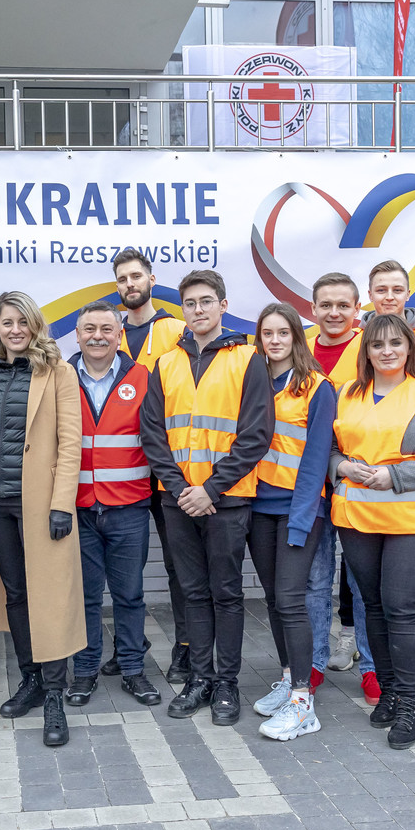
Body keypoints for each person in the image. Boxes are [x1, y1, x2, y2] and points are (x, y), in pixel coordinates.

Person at [140, 269, 273, 726]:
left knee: (227, 593)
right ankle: (200, 678)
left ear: (222, 305)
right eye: (190, 303)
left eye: (206, 301)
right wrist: (182, 491)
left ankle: (227, 683)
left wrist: (210, 489)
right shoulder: (166, 363)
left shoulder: (248, 359)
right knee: (193, 592)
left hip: (226, 500)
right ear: (183, 310)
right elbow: (152, 434)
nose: (198, 310)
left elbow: (256, 435)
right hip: (178, 501)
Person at [0, 292, 85, 747]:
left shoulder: (59, 371)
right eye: (6, 322)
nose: (14, 330)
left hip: (41, 504)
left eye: (22, 322)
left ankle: (55, 693)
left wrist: (61, 504)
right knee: (16, 594)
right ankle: (31, 678)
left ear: (35, 326)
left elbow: (71, 442)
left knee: (50, 596)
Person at [330, 313, 415, 750]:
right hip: (357, 517)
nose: (386, 351)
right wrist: (341, 467)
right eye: (377, 344)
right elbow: (329, 449)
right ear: (366, 351)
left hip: (414, 519)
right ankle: (388, 690)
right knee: (374, 606)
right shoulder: (347, 394)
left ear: (409, 347)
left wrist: (395, 476)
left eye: (395, 343)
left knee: (403, 608)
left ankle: (409, 703)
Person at [66, 302, 161, 709]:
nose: (98, 336)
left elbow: (157, 438)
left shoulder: (143, 377)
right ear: (77, 335)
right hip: (78, 510)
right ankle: (85, 671)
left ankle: (133, 670)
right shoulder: (61, 378)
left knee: (129, 595)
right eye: (89, 328)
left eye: (106, 328)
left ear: (120, 335)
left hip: (129, 508)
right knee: (85, 597)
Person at [248, 303, 335, 742]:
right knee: (272, 598)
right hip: (257, 508)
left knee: (290, 599)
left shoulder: (317, 387)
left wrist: (301, 520)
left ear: (297, 337)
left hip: (298, 510)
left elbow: (317, 459)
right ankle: (288, 678)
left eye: (284, 332)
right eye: (268, 333)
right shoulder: (254, 381)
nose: (275, 340)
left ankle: (303, 702)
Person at [111, 248, 191, 683]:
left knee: (179, 565)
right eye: (123, 278)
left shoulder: (177, 329)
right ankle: (131, 645)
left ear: (151, 279)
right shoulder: (110, 333)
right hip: (121, 468)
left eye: (136, 276)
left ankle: (186, 648)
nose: (130, 284)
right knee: (124, 565)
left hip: (167, 466)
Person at [304, 272, 379, 702]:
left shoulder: (371, 348)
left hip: (359, 480)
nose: (334, 313)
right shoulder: (298, 347)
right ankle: (313, 663)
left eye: (343, 305)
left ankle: (371, 667)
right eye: (326, 305)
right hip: (309, 483)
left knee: (362, 580)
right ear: (313, 309)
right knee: (316, 580)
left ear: (357, 308)